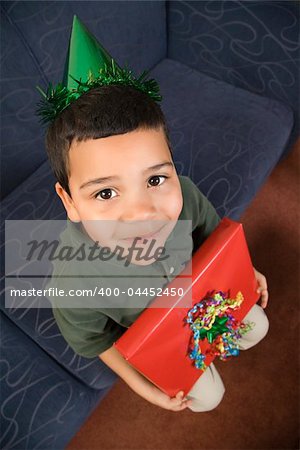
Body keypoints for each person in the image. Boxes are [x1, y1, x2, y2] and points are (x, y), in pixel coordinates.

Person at [39, 16, 269, 413]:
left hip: (209, 297)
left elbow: (215, 243)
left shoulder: (189, 197)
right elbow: (97, 340)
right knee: (208, 398)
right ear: (70, 201)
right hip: (162, 336)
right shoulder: (72, 280)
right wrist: (141, 385)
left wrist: (244, 272)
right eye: (106, 192)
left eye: (156, 179)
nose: (143, 214)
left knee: (258, 326)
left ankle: (222, 342)